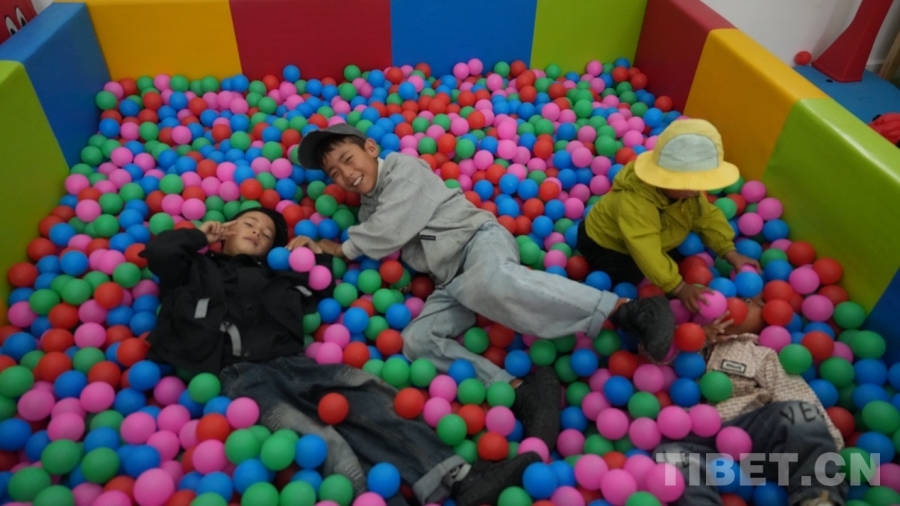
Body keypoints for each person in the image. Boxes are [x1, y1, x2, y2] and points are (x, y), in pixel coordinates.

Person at [294, 123, 677, 450]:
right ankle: (519, 389)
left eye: (348, 159)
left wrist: (337, 248)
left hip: (478, 242)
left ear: (371, 148)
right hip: (452, 279)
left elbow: (388, 229)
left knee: (491, 281)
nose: (346, 174)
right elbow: (390, 236)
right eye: (334, 173)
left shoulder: (402, 169)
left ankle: (627, 310)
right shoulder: (367, 208)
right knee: (416, 340)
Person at [141, 207, 540, 506]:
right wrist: (199, 235)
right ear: (227, 229)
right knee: (318, 440)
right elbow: (159, 254)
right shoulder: (197, 269)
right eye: (249, 223)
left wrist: (311, 252)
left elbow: (322, 286)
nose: (257, 231)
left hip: (295, 362)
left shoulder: (277, 275)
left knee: (373, 398)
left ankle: (459, 476)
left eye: (266, 233)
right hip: (241, 376)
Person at [650, 297, 847, 506]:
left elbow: (793, 392)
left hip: (753, 442)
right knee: (669, 456)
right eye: (728, 297)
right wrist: (696, 337)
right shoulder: (688, 342)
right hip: (701, 444)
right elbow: (654, 354)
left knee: (799, 412)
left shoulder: (760, 354)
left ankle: (818, 498)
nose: (734, 302)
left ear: (765, 319)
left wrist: (830, 443)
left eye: (749, 301)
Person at [577, 118, 761, 313]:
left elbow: (706, 216)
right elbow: (645, 249)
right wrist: (679, 288)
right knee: (631, 276)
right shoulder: (636, 203)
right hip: (605, 243)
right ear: (665, 180)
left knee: (680, 250)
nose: (697, 190)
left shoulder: (687, 193)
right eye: (689, 184)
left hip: (652, 232)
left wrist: (729, 251)